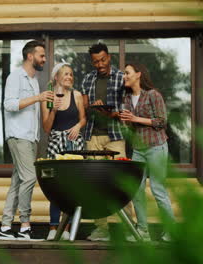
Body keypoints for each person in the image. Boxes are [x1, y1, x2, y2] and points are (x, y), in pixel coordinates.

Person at [0, 40, 54, 241]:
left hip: (31, 138)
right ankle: (25, 226)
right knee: (30, 178)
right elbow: (9, 105)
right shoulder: (15, 77)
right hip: (18, 135)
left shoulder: (34, 80)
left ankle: (5, 227)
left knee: (18, 181)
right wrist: (37, 98)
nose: (44, 59)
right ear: (30, 56)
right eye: (41, 55)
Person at [81, 43, 134, 242]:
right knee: (96, 183)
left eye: (103, 60)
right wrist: (92, 107)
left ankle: (129, 228)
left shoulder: (121, 77)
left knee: (121, 181)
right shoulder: (88, 79)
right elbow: (84, 108)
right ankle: (101, 229)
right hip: (92, 136)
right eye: (96, 61)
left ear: (109, 57)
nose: (100, 64)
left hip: (115, 136)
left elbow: (128, 106)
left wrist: (113, 112)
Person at [119, 63, 175, 242]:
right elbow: (130, 125)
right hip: (138, 149)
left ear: (138, 75)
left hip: (156, 146)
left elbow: (161, 121)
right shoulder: (127, 98)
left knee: (158, 190)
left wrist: (135, 118)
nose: (124, 76)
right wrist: (125, 121)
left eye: (127, 73)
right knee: (136, 190)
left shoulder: (153, 95)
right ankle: (143, 231)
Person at [41, 63, 86, 240]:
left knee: (73, 188)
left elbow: (83, 119)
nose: (69, 77)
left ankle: (67, 229)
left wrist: (77, 125)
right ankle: (53, 228)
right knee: (56, 187)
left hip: (74, 144)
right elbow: (46, 127)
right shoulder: (48, 98)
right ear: (56, 78)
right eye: (65, 74)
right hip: (55, 144)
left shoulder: (77, 96)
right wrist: (53, 109)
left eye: (71, 74)